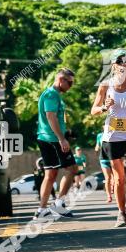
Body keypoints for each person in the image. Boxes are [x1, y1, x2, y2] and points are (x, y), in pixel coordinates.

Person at [91, 49, 126, 227]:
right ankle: (121, 213)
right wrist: (104, 108)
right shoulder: (105, 85)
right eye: (120, 62)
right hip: (112, 137)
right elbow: (93, 111)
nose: (123, 65)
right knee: (120, 179)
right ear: (113, 65)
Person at [36, 68, 78, 218]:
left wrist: (65, 133)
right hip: (52, 139)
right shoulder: (51, 95)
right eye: (70, 83)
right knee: (72, 168)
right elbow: (50, 117)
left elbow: (56, 118)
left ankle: (42, 210)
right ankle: (58, 204)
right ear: (61, 80)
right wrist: (61, 138)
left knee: (51, 174)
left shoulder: (53, 95)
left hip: (48, 138)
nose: (71, 86)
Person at [95, 131, 115, 203]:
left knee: (115, 177)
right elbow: (97, 145)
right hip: (103, 158)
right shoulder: (100, 135)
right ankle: (109, 196)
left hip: (113, 158)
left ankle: (114, 189)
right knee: (108, 178)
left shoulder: (114, 133)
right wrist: (96, 149)